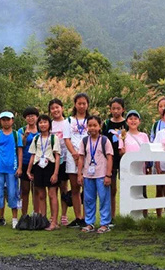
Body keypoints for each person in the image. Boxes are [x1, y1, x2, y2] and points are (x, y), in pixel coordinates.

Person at [77, 115, 114, 233]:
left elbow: (110, 158)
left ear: (99, 126)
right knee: (88, 199)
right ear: (87, 127)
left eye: (95, 125)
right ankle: (89, 223)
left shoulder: (105, 140)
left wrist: (108, 175)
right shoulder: (84, 141)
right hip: (88, 175)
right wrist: (79, 174)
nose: (92, 128)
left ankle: (105, 224)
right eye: (90, 125)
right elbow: (81, 158)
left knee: (104, 199)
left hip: (102, 175)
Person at [0, 111, 23, 229]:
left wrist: (19, 167)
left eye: (8, 119)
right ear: (0, 121)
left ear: (12, 120)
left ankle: (14, 219)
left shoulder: (16, 135)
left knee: (13, 193)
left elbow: (20, 152)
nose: (6, 122)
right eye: (3, 120)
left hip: (12, 169)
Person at [26, 113, 60, 231]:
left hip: (50, 166)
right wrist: (29, 170)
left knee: (52, 194)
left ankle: (54, 221)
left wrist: (55, 173)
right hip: (38, 167)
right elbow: (32, 155)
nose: (43, 124)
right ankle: (43, 220)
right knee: (41, 195)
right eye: (40, 122)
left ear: (49, 124)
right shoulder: (36, 138)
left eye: (45, 122)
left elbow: (57, 156)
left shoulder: (54, 138)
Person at [64, 93, 90, 228]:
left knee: (87, 188)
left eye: (84, 103)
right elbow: (66, 139)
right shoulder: (68, 121)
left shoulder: (90, 120)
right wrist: (75, 154)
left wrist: (83, 155)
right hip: (72, 156)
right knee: (75, 188)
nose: (81, 106)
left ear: (87, 105)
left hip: (89, 157)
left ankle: (87, 217)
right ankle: (78, 217)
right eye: (79, 103)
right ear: (75, 104)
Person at [119, 110, 149, 217]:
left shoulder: (144, 136)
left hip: (141, 169)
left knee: (142, 192)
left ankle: (144, 215)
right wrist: (122, 152)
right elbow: (121, 151)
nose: (133, 121)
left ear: (139, 121)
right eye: (130, 119)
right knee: (129, 191)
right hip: (128, 169)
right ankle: (129, 215)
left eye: (135, 119)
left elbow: (148, 151)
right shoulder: (123, 135)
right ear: (127, 121)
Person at [102, 97, 128, 223]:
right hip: (110, 159)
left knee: (126, 187)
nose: (116, 111)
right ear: (110, 110)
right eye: (113, 108)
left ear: (123, 109)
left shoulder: (127, 123)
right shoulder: (107, 124)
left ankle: (127, 215)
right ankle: (111, 216)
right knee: (111, 189)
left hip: (124, 158)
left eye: (118, 108)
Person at [49, 98, 72, 227]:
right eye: (52, 108)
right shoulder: (49, 124)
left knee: (64, 187)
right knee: (52, 188)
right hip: (52, 160)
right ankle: (53, 216)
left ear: (62, 108)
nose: (55, 110)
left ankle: (64, 215)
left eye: (57, 107)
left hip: (66, 159)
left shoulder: (68, 122)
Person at [19, 106, 39, 216]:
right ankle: (24, 215)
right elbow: (20, 146)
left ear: (37, 117)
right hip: (25, 162)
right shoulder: (21, 131)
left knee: (36, 189)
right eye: (28, 116)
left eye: (32, 116)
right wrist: (25, 137)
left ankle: (36, 213)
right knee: (25, 190)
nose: (30, 118)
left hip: (38, 163)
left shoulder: (41, 129)